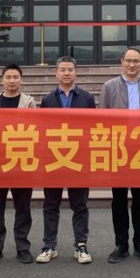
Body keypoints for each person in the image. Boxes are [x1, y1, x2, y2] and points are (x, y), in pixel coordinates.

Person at [100, 47, 140, 263]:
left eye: (136, 61)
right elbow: (102, 120)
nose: (132, 65)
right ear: (122, 62)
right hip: (118, 149)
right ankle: (121, 244)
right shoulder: (109, 87)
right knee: (118, 199)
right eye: (128, 61)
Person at [37, 56, 96, 265]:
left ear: (76, 73)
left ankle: (81, 245)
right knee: (51, 204)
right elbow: (42, 129)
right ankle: (49, 245)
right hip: (53, 159)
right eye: (62, 69)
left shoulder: (87, 98)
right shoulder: (47, 100)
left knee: (79, 205)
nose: (66, 73)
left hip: (78, 159)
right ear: (56, 73)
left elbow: (94, 127)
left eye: (70, 69)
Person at [0, 63, 37, 265]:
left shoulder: (29, 103)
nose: (12, 81)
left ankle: (23, 247)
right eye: (8, 77)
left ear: (21, 80)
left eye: (15, 77)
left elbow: (36, 128)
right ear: (2, 80)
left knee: (23, 208)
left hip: (22, 161)